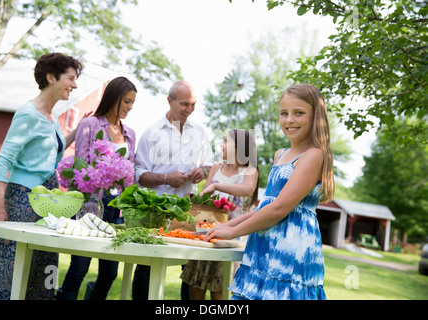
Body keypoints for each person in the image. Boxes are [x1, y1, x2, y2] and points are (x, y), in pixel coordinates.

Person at [204, 84, 335, 300]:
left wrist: (233, 233)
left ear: (316, 117)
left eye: (299, 113)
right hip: (263, 246)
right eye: (284, 113)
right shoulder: (280, 154)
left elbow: (280, 208)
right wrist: (227, 224)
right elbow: (266, 206)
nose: (289, 120)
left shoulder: (313, 156)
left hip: (290, 252)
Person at [0, 53, 83, 300]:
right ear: (50, 78)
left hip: (48, 203)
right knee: (10, 264)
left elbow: (49, 158)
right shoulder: (29, 113)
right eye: (70, 78)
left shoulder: (52, 117)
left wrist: (77, 132)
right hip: (22, 201)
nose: (75, 85)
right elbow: (3, 161)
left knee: (42, 268)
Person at [56, 77, 137, 300]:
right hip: (89, 205)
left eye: (132, 103)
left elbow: (130, 173)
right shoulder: (89, 125)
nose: (130, 107)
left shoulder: (130, 133)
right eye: (127, 102)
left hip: (115, 210)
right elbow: (81, 167)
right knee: (79, 267)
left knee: (110, 273)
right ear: (114, 98)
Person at [133, 80, 214, 300]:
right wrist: (166, 178)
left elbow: (209, 166)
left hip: (187, 210)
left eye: (194, 104)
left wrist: (201, 171)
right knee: (147, 264)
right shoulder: (151, 133)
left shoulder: (199, 132)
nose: (189, 109)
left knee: (188, 266)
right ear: (170, 101)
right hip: (155, 210)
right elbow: (138, 174)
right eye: (185, 104)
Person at [180, 129, 259, 300]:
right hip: (207, 235)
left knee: (220, 291)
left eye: (226, 141)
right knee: (196, 285)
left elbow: (248, 189)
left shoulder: (250, 171)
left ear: (239, 147)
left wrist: (217, 186)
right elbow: (204, 199)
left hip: (231, 239)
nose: (221, 145)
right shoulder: (216, 168)